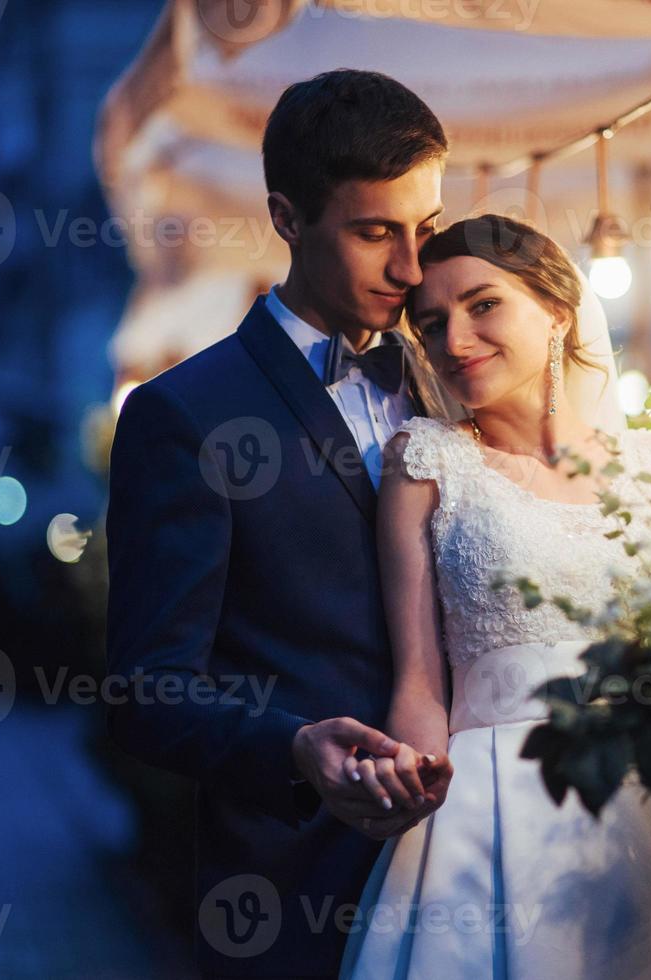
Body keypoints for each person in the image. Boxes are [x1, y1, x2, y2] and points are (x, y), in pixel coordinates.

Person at [339, 215, 651, 979]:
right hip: (490, 807)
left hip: (650, 803)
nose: (456, 340)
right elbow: (417, 678)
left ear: (558, 312)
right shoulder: (427, 461)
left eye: (483, 305)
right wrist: (410, 789)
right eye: (432, 324)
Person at [106, 70, 454, 977]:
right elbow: (146, 690)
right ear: (288, 219)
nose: (412, 270)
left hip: (472, 861)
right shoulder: (181, 414)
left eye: (427, 231)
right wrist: (293, 749)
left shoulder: (454, 381)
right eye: (377, 233)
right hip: (298, 883)